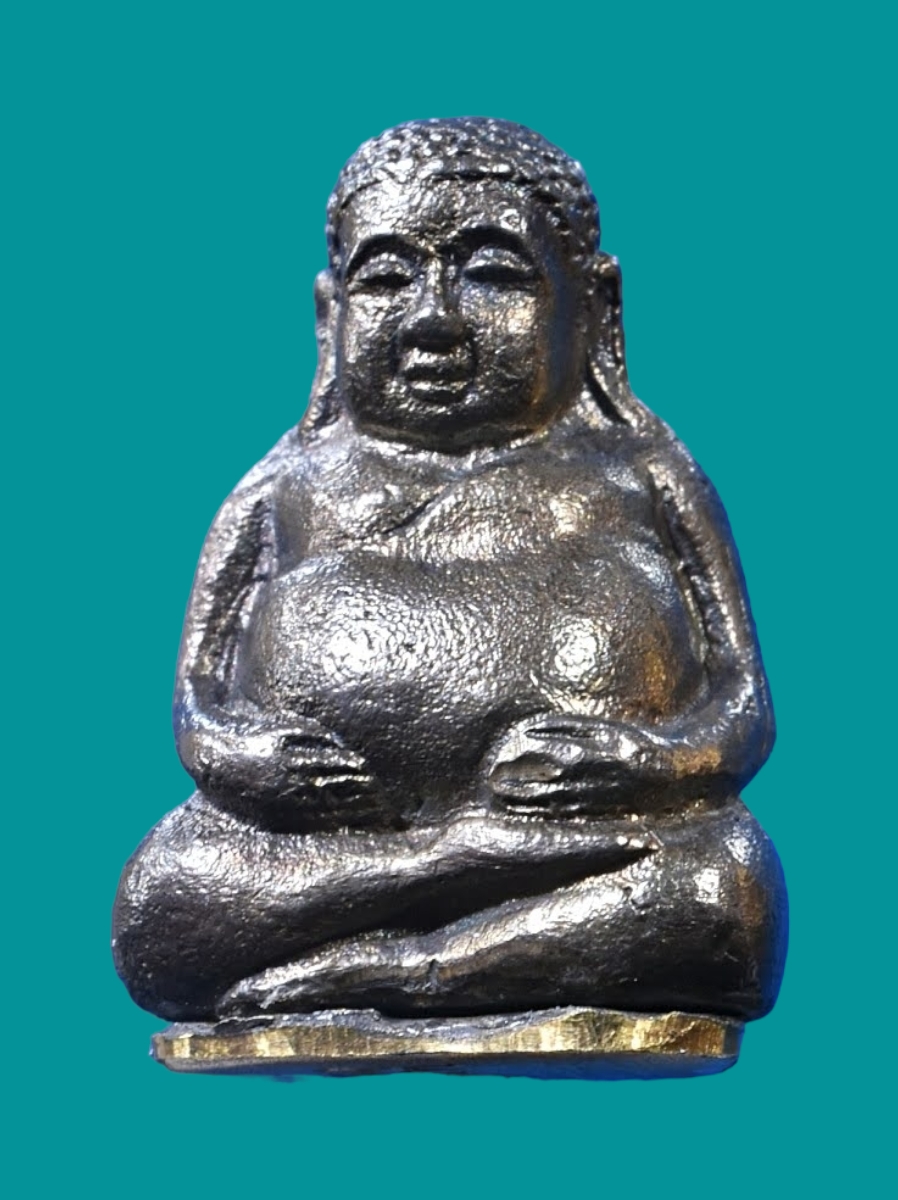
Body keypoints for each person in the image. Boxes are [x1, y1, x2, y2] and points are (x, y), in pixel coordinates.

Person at [113, 118, 787, 1026]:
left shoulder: (643, 478)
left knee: (722, 889)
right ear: (329, 314)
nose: (434, 319)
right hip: (344, 863)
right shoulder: (283, 490)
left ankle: (421, 969)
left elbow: (743, 710)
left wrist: (646, 761)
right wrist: (243, 761)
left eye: (495, 274)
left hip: (593, 845)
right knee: (166, 901)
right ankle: (450, 868)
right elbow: (196, 706)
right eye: (386, 278)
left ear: (593, 307)